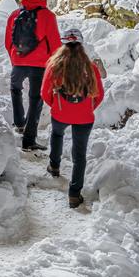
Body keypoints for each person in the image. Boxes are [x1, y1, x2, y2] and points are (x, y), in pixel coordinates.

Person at [41, 28, 104, 208]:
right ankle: (74, 195)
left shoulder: (55, 66)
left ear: (64, 44)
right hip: (84, 117)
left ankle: (54, 166)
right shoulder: (90, 67)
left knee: (57, 135)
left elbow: (45, 93)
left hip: (61, 113)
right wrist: (88, 107)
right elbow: (98, 94)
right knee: (79, 154)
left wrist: (56, 105)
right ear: (81, 45)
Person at [4, 0, 60, 150]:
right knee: (36, 99)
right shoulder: (48, 16)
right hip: (40, 65)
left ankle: (19, 123)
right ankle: (29, 141)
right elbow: (55, 44)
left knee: (16, 90)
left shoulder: (14, 14)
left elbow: (8, 42)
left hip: (18, 61)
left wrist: (15, 59)